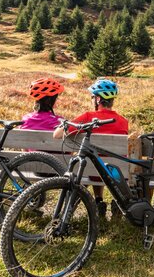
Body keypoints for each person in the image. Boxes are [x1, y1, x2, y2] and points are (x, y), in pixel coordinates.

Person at [53, 78, 128, 217]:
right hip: (116, 173)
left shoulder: (88, 117)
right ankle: (112, 203)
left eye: (93, 97)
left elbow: (57, 135)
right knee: (101, 160)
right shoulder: (123, 121)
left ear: (98, 99)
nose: (92, 99)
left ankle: (97, 202)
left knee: (92, 163)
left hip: (90, 171)